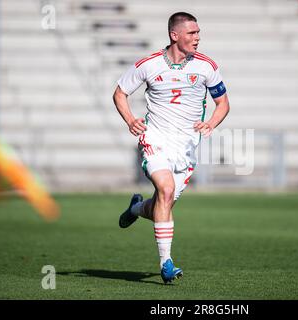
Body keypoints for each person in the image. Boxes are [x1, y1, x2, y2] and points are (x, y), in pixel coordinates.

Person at [112, 12, 230, 284]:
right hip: (156, 139)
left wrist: (211, 123)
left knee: (161, 206)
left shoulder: (206, 67)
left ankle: (134, 209)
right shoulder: (148, 65)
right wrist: (131, 120)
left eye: (198, 33)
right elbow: (120, 92)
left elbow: (223, 103)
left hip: (186, 146)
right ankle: (166, 263)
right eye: (192, 33)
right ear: (174, 35)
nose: (197, 38)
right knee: (165, 190)